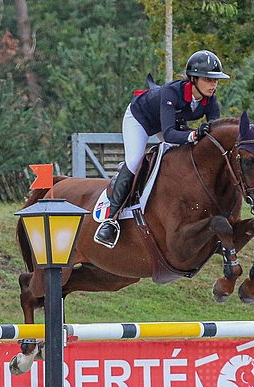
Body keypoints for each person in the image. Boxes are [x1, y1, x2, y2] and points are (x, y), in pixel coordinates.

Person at [94, 50, 230, 248]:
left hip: (168, 124)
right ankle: (111, 219)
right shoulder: (172, 92)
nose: (213, 84)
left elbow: (214, 135)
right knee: (134, 161)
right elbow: (169, 134)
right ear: (192, 79)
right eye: (208, 79)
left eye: (215, 80)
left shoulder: (211, 101)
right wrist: (193, 135)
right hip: (140, 119)